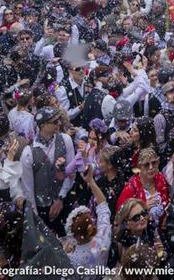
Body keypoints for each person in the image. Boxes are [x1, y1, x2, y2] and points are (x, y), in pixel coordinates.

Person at [19, 107, 75, 235]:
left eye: (59, 119)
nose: (59, 123)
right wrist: (35, 218)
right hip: (42, 207)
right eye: (55, 122)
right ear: (43, 125)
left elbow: (71, 173)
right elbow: (28, 188)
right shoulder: (28, 152)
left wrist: (61, 197)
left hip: (65, 200)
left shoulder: (66, 140)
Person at [62, 169, 111, 268]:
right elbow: (103, 206)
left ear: (74, 236)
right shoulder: (103, 238)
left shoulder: (70, 259)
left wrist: (63, 252)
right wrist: (91, 181)